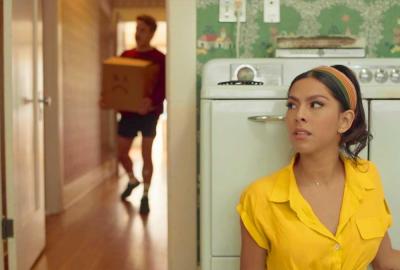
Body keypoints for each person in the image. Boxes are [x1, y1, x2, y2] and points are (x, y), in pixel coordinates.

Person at [236, 65, 400, 269]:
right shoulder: (259, 197)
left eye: (315, 104)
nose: (299, 115)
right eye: (291, 105)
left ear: (344, 120)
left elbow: (386, 261)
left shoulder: (367, 177)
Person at [117, 15, 165, 215]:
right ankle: (132, 179)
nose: (138, 33)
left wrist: (151, 103)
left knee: (146, 155)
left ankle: (145, 195)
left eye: (143, 30)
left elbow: (163, 87)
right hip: (128, 113)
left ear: (152, 33)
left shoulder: (160, 59)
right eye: (137, 29)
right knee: (121, 152)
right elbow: (116, 84)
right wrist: (108, 99)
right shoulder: (126, 55)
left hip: (149, 114)